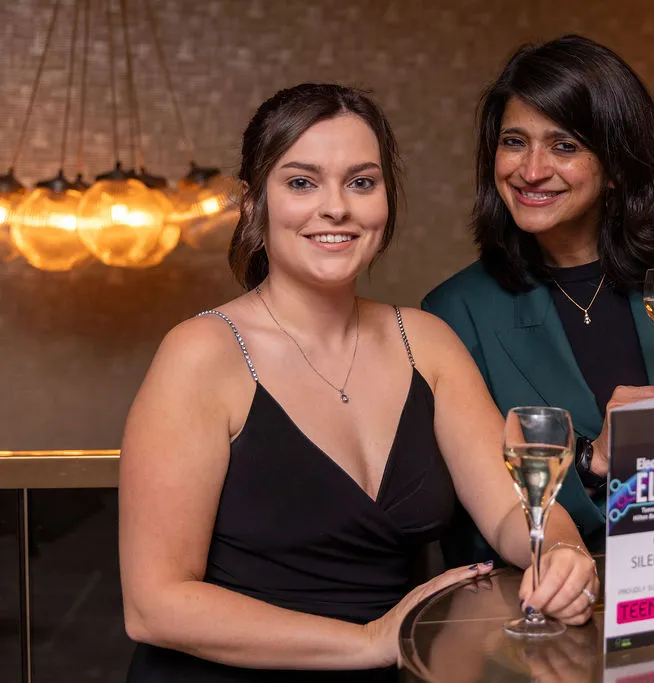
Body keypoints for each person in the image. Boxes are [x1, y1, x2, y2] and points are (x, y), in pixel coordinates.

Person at [118, 83, 597, 682]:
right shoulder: (201, 354)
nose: (336, 208)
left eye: (361, 182)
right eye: (302, 182)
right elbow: (154, 606)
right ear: (253, 202)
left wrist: (561, 552)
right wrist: (368, 640)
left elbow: (511, 507)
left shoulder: (426, 342)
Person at [422, 35, 654, 563]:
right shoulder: (456, 311)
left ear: (617, 165)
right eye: (514, 142)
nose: (531, 170)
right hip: (562, 592)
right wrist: (592, 460)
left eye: (564, 146)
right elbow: (469, 523)